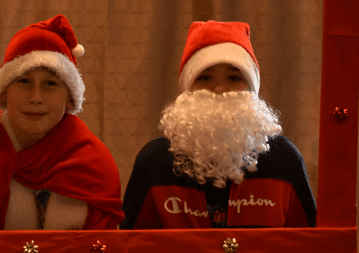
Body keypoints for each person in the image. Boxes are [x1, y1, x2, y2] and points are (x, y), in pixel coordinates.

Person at [0, 14, 124, 230]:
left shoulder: (95, 168)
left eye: (50, 84)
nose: (36, 97)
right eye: (24, 81)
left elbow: (102, 245)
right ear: (3, 92)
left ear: (70, 98)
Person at [121, 20, 316, 229]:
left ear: (251, 90)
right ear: (188, 90)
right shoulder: (152, 164)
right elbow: (132, 243)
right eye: (205, 77)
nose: (220, 89)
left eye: (234, 77)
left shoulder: (285, 161)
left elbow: (309, 242)